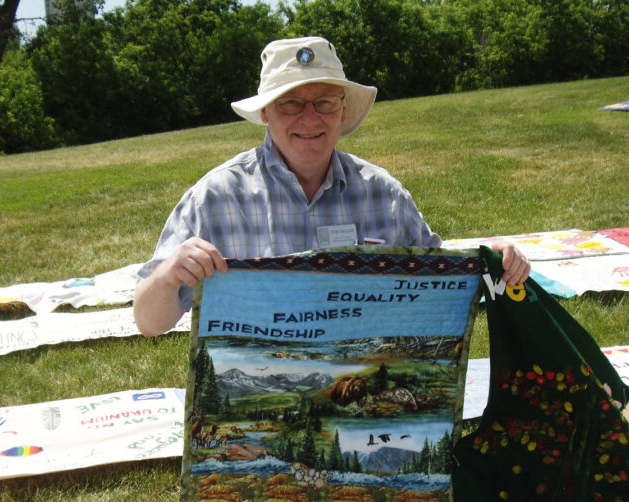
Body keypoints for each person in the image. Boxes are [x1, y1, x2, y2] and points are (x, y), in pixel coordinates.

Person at [134, 36, 530, 337]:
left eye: (323, 101)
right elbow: (149, 322)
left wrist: (492, 260)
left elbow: (437, 286)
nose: (309, 117)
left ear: (342, 110)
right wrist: (169, 274)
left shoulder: (384, 195)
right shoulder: (216, 198)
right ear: (266, 113)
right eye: (291, 103)